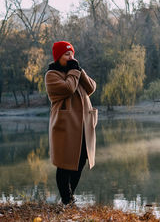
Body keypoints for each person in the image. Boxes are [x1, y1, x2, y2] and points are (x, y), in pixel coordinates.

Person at [45, 41, 98, 205]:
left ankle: (67, 199)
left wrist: (80, 71)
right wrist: (74, 72)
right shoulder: (51, 75)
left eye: (72, 54)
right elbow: (68, 88)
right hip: (65, 127)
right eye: (67, 54)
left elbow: (91, 88)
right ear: (58, 57)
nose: (71, 57)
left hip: (83, 125)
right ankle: (68, 201)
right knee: (64, 163)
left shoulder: (75, 71)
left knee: (80, 160)